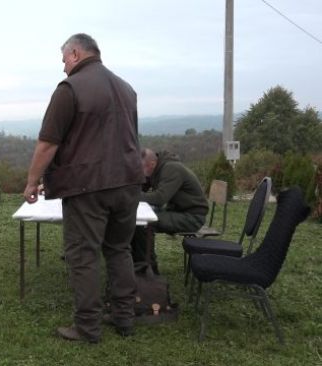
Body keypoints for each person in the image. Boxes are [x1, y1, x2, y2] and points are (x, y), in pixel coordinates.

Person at [23, 33, 145, 342]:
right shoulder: (127, 89)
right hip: (129, 181)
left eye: (64, 60)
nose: (63, 67)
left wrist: (31, 181)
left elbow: (48, 143)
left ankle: (88, 327)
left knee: (83, 254)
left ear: (75, 53)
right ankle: (124, 318)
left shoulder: (70, 88)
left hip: (88, 185)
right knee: (119, 249)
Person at [131, 148, 209, 273]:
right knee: (136, 222)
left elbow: (160, 198)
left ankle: (149, 268)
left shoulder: (171, 169)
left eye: (142, 169)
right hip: (178, 211)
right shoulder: (157, 169)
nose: (142, 173)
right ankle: (137, 263)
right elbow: (143, 187)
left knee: (145, 223)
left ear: (151, 164)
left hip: (192, 217)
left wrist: (131, 195)